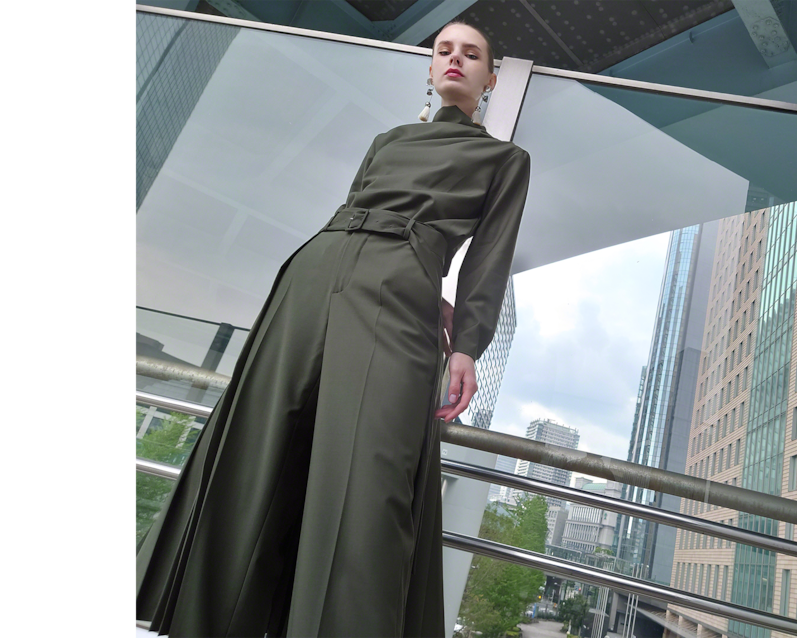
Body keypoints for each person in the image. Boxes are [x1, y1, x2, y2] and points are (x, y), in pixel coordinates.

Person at [133, 20, 530, 638]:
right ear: (429, 70)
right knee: (266, 438)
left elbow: (489, 260)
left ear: (490, 77)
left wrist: (467, 346)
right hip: (313, 274)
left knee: (372, 471)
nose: (454, 59)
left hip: (398, 295)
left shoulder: (505, 159)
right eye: (442, 51)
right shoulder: (388, 139)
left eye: (470, 54)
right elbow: (352, 208)